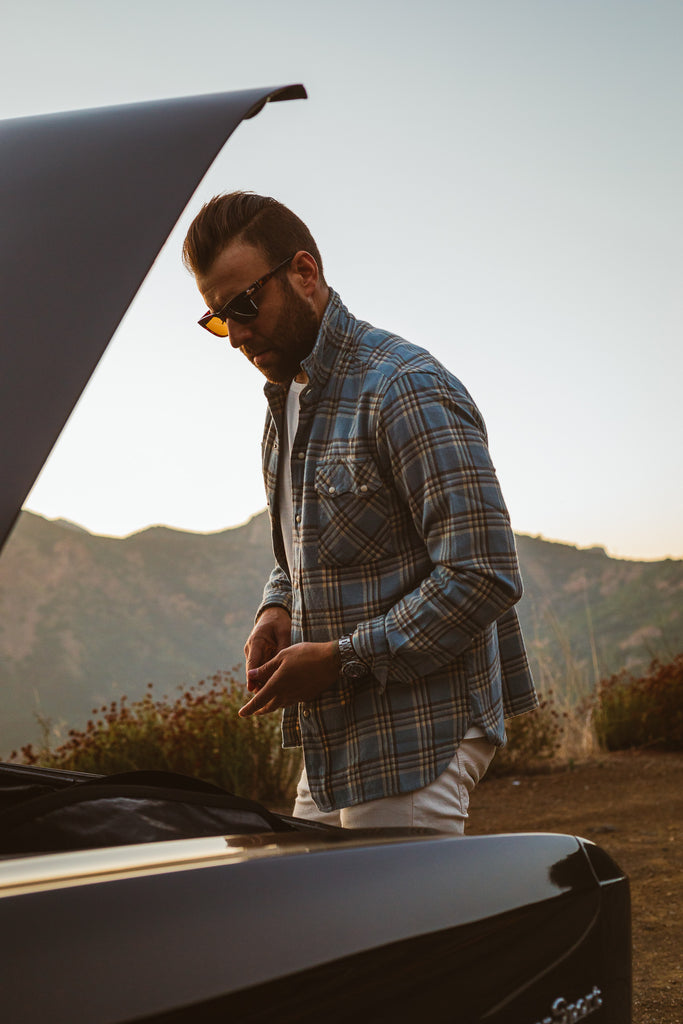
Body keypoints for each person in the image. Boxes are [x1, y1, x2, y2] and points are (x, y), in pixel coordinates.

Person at [182, 192, 537, 832]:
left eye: (243, 306)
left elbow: (483, 573)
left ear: (304, 273)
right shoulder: (288, 402)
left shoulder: (403, 386)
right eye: (217, 319)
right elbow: (301, 548)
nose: (235, 336)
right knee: (317, 923)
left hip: (419, 730)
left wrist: (341, 658)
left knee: (394, 933)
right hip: (337, 735)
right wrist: (277, 605)